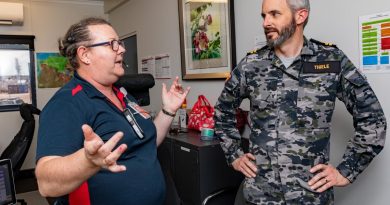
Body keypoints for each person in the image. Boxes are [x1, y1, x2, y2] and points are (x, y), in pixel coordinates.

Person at [214, 0, 386, 204]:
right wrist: (234, 154)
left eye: (274, 14)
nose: (266, 22)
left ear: (300, 16)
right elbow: (222, 111)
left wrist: (346, 171)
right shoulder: (251, 65)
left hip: (310, 196)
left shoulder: (331, 61)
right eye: (263, 16)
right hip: (261, 195)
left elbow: (373, 121)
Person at [35, 17, 190, 205]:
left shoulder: (122, 93)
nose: (122, 49)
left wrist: (168, 110)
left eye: (120, 43)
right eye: (112, 44)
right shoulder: (67, 103)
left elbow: (146, 141)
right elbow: (45, 183)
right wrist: (87, 161)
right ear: (85, 55)